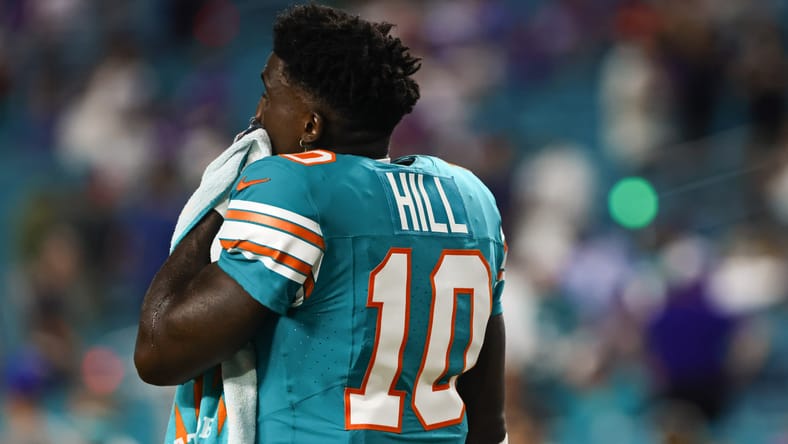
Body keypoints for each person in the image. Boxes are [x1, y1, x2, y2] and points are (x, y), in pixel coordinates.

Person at [135, 4, 507, 443]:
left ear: (309, 126)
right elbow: (485, 420)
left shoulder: (296, 186)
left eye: (269, 97)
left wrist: (220, 196)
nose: (258, 115)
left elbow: (158, 353)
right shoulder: (470, 197)